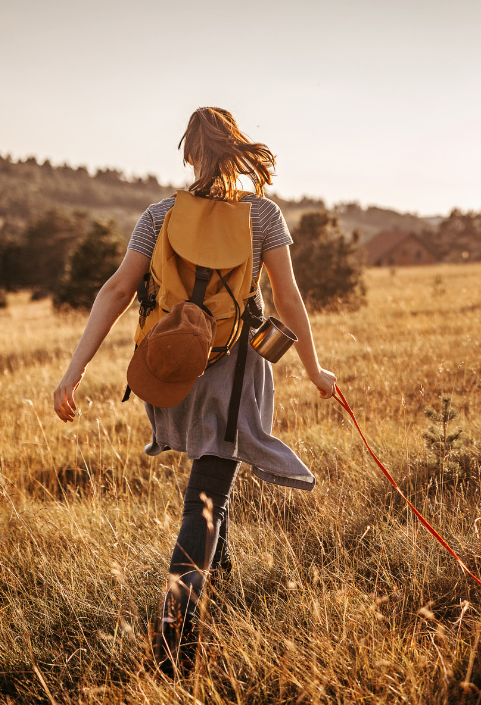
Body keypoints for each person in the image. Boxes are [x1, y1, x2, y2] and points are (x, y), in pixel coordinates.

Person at [53, 107, 336, 676]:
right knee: (206, 497)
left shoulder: (158, 215)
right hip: (233, 374)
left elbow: (115, 291)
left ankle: (222, 580)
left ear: (189, 155)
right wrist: (313, 367)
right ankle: (175, 644)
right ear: (236, 153)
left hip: (174, 372)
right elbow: (288, 300)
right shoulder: (264, 217)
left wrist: (73, 370)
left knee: (213, 473)